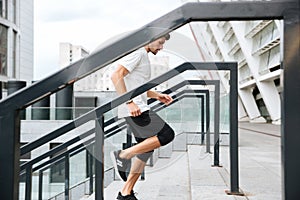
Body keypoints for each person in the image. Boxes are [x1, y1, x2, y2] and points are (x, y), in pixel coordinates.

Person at [110, 33, 175, 200]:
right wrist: (129, 102)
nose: (161, 47)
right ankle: (123, 155)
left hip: (137, 107)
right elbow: (116, 75)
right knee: (166, 134)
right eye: (160, 43)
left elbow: (138, 87)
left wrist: (157, 95)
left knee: (146, 150)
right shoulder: (138, 53)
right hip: (136, 109)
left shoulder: (143, 56)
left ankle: (125, 193)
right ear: (150, 38)